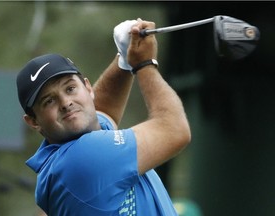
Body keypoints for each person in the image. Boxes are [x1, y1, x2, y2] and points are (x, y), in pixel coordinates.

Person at [16, 18, 191, 216]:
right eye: (49, 101)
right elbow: (174, 130)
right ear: (33, 121)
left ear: (88, 88)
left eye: (70, 88)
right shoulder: (83, 157)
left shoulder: (68, 149)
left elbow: (103, 111)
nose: (66, 103)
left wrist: (124, 60)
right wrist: (144, 64)